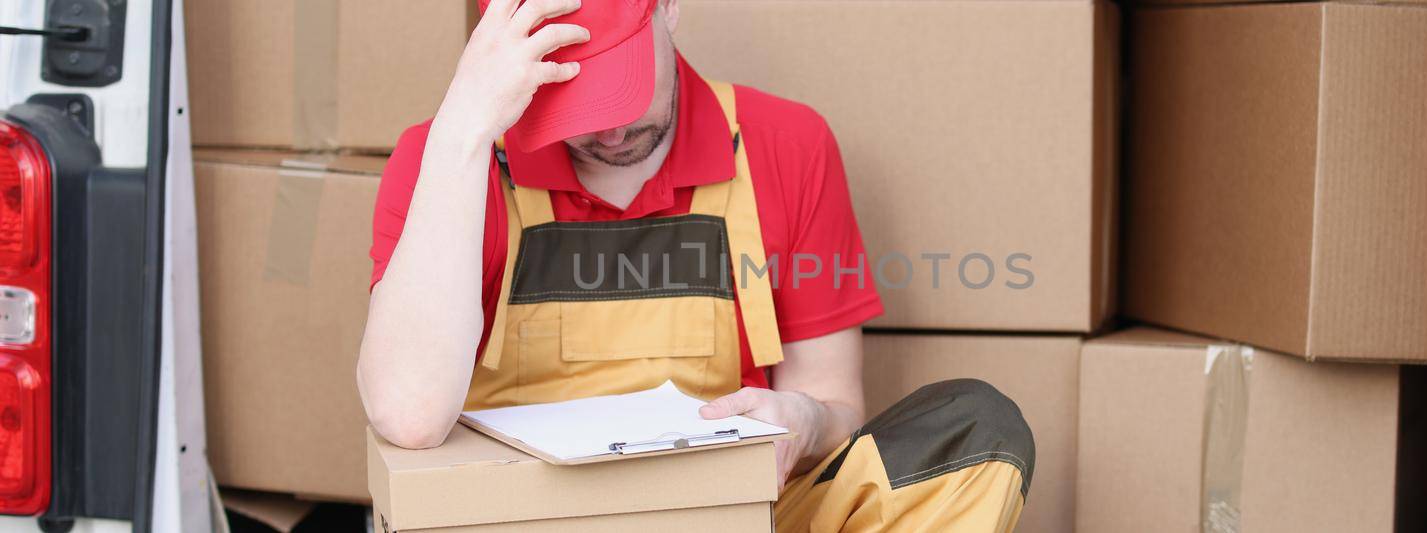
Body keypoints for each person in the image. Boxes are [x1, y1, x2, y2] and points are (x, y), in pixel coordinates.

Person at [356, 0, 1035, 529]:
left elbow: (836, 405)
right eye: (575, 104)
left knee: (979, 432)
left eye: (620, 87)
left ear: (669, 7)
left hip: (735, 517)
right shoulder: (447, 161)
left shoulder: (788, 146)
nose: (611, 131)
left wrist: (802, 416)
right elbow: (409, 415)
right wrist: (464, 128)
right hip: (522, 522)